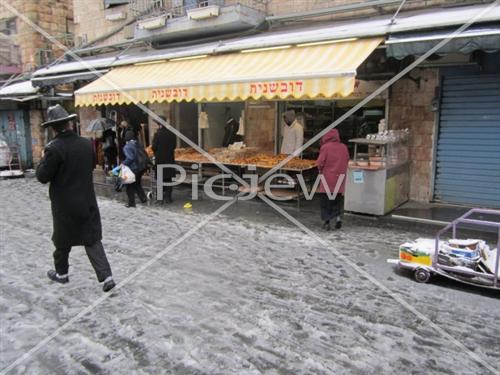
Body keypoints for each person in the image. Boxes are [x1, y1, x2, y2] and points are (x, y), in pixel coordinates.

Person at [35, 105, 115, 292]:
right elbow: (91, 164)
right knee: (92, 239)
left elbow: (42, 176)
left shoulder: (53, 149)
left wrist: (42, 159)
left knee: (62, 240)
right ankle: (106, 277)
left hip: (64, 204)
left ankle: (61, 274)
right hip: (86, 200)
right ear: (70, 123)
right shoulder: (86, 144)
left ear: (53, 128)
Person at [316, 128, 349, 231]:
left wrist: (320, 170)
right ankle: (338, 218)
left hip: (327, 178)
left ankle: (327, 221)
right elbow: (347, 159)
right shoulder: (343, 147)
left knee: (326, 201)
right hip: (340, 178)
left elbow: (320, 162)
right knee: (337, 199)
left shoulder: (325, 147)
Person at [152, 116, 177, 204]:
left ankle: (159, 199)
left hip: (160, 160)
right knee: (168, 179)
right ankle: (168, 198)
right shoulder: (172, 134)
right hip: (169, 159)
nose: (155, 126)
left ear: (159, 125)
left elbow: (154, 147)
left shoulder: (157, 134)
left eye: (156, 124)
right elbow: (174, 146)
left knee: (160, 179)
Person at [122, 130, 147, 207]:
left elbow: (130, 158)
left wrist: (123, 164)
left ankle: (131, 203)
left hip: (133, 168)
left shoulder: (127, 147)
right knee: (137, 183)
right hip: (141, 167)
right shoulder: (138, 143)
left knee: (129, 186)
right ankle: (143, 198)